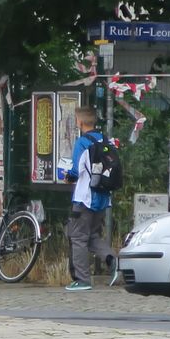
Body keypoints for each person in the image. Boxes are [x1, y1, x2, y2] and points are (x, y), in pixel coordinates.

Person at [64, 107, 114, 292]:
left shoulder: (82, 143)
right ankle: (112, 259)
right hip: (102, 197)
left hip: (85, 198)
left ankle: (83, 280)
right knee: (92, 235)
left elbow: (77, 171)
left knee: (78, 237)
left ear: (80, 122)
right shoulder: (105, 140)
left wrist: (68, 177)